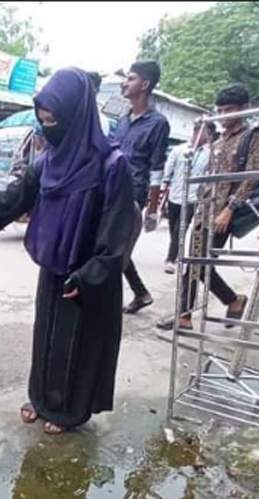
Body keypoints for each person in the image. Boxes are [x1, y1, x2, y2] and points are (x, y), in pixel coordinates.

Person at [0, 68, 135, 434]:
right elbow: (7, 202)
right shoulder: (48, 162)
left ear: (76, 116)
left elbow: (118, 235)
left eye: (54, 122)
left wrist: (92, 274)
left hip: (90, 273)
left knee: (76, 346)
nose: (49, 130)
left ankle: (68, 412)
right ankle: (42, 399)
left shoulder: (112, 166)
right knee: (47, 337)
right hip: (54, 265)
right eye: (43, 122)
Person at [158, 83, 258, 331]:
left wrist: (230, 208)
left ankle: (227, 301)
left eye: (229, 110)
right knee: (194, 262)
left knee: (198, 265)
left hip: (224, 213)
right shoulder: (218, 139)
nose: (224, 115)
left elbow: (253, 177)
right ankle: (190, 314)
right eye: (220, 110)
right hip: (204, 210)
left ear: (244, 109)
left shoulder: (251, 136)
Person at [110, 61, 170, 315]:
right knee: (111, 246)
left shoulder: (158, 123)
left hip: (134, 196)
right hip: (111, 192)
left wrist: (153, 209)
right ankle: (141, 293)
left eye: (131, 78)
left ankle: (111, 301)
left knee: (116, 251)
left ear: (144, 85)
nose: (125, 82)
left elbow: (157, 169)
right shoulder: (122, 121)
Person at [160, 121, 215, 274]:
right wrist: (163, 187)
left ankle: (170, 259)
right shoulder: (180, 150)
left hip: (192, 198)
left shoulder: (210, 154)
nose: (207, 136)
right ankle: (176, 251)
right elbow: (168, 170)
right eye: (203, 132)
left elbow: (210, 174)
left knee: (180, 229)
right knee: (174, 228)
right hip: (175, 195)